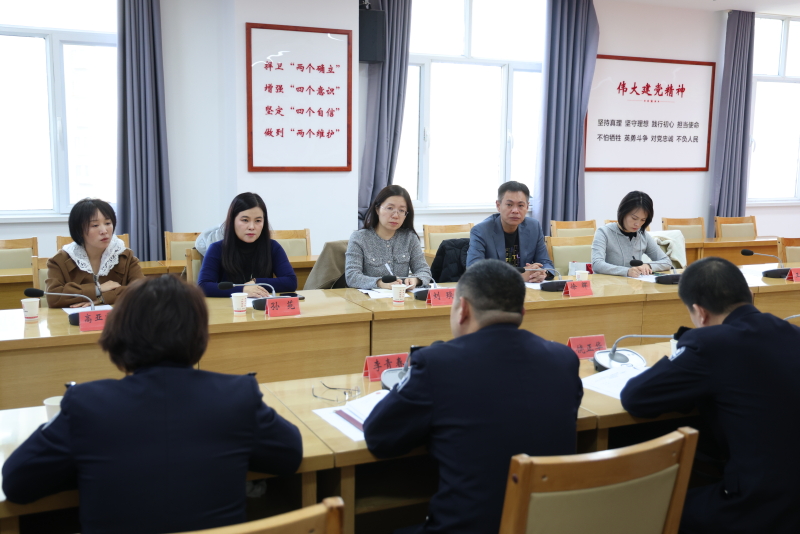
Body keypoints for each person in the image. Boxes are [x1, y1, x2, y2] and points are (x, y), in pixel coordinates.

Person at [2, 275, 303, 534]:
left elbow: (17, 482)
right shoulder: (236, 395)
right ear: (200, 334)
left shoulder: (87, 404)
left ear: (119, 332)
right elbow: (289, 456)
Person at [363, 259, 583, 534]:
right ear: (522, 312)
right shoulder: (563, 359)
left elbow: (379, 438)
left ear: (463, 309)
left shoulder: (437, 363)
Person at [621, 257, 800, 534]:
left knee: (643, 510)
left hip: (758, 507)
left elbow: (636, 398)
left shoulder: (709, 343)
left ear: (700, 313)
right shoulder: (793, 332)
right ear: (750, 296)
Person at [46, 198, 144, 308]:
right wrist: (98, 289)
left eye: (108, 223)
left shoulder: (125, 256)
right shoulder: (60, 260)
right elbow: (53, 297)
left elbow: (142, 291)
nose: (104, 231)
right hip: (72, 318)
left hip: (116, 317)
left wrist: (102, 299)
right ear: (79, 230)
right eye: (95, 225)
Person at [198, 192, 297, 297]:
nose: (251, 227)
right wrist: (243, 289)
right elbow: (203, 286)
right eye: (245, 220)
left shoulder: (272, 247)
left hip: (260, 306)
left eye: (258, 221)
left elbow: (291, 282)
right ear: (232, 221)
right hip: (228, 306)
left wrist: (255, 282)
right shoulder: (217, 249)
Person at [345, 185, 432, 290]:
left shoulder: (410, 238)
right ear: (377, 209)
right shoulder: (359, 238)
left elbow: (424, 271)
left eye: (401, 210)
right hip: (367, 298)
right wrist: (379, 283)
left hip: (401, 298)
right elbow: (352, 276)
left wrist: (416, 280)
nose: (395, 215)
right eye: (390, 208)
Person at [467, 181, 553, 283]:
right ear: (498, 205)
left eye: (520, 205)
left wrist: (542, 273)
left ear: (527, 207)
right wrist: (519, 276)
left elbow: (545, 262)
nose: (515, 210)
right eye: (509, 205)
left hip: (528, 289)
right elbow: (474, 271)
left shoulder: (534, 227)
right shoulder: (481, 231)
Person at [591, 191, 672, 277]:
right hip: (609, 283)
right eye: (634, 218)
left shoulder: (643, 235)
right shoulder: (604, 232)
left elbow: (666, 262)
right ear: (623, 213)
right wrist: (626, 271)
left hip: (635, 284)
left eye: (643, 220)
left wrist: (648, 265)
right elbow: (597, 264)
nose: (638, 224)